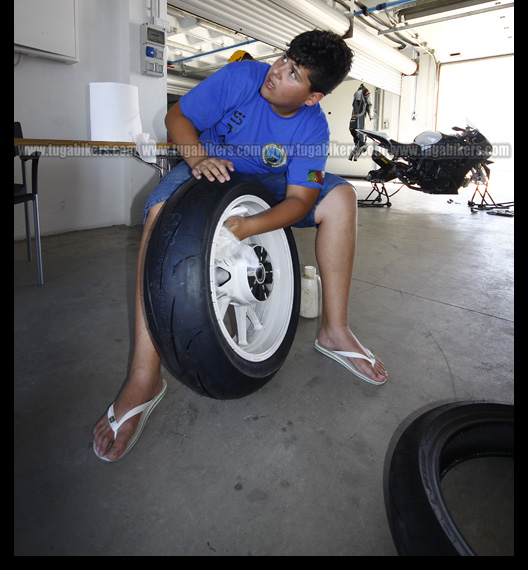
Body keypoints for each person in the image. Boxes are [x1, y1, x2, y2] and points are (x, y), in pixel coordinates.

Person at [93, 29, 388, 462]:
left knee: (342, 199)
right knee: (158, 217)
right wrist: (196, 157)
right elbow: (178, 118)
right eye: (284, 59)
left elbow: (301, 200)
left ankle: (334, 330)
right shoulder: (242, 77)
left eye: (293, 73)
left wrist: (252, 227)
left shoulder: (312, 127)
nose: (277, 72)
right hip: (209, 163)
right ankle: (144, 375)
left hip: (270, 184)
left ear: (312, 96)